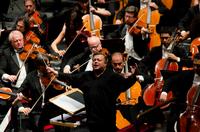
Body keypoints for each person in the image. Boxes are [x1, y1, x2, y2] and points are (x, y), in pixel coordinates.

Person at [47, 52, 137, 132]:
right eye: (94, 60)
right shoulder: (86, 76)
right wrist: (56, 73)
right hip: (92, 119)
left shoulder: (112, 77)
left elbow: (125, 84)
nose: (96, 61)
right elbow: (71, 77)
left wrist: (134, 75)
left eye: (99, 60)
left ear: (105, 64)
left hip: (108, 120)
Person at [13, 53, 67, 132]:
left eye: (48, 64)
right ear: (38, 66)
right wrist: (21, 107)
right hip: (37, 111)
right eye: (44, 65)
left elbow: (62, 90)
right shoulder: (31, 76)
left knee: (63, 127)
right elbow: (18, 92)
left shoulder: (53, 74)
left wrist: (62, 86)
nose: (47, 67)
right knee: (37, 126)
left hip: (53, 109)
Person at [159, 53, 200, 132]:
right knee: (172, 120)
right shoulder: (188, 74)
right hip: (183, 106)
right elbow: (170, 80)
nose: (195, 68)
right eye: (194, 65)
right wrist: (164, 92)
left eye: (198, 66)